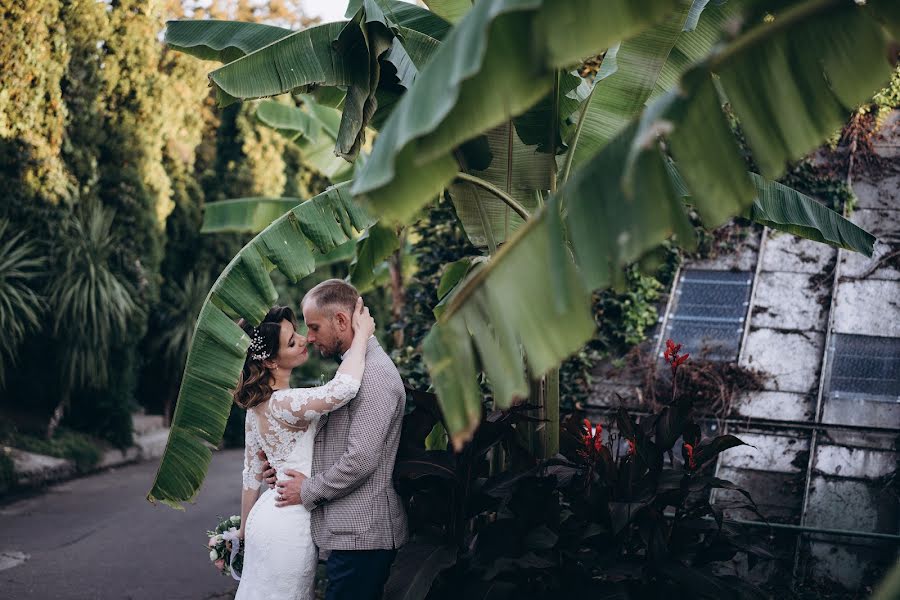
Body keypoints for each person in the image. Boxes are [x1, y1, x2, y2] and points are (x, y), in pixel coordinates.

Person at [264, 279, 409, 600]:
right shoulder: (355, 370)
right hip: (350, 537)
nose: (309, 337)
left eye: (314, 327)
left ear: (342, 321)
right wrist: (282, 467)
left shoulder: (375, 378)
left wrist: (306, 490)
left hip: (364, 539)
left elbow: (360, 459)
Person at [233, 297, 375, 600]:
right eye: (291, 341)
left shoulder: (256, 407)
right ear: (271, 361)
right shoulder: (286, 402)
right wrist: (362, 335)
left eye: (296, 333)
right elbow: (345, 388)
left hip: (265, 517)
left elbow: (251, 474)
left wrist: (244, 530)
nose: (303, 341)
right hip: (290, 523)